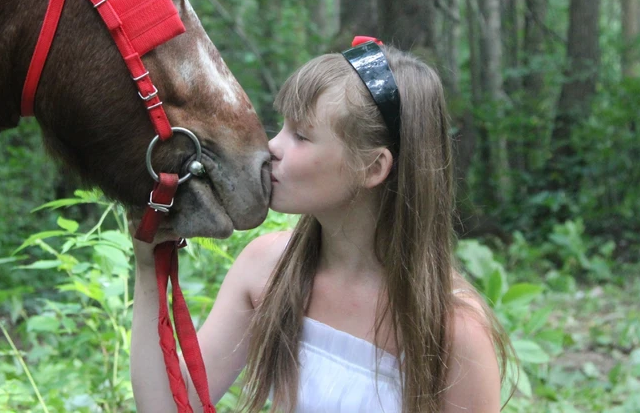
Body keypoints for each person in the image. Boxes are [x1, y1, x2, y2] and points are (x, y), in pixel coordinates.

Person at [130, 39, 511, 413]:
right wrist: (149, 267)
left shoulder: (454, 329)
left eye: (301, 136)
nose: (271, 147)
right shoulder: (266, 269)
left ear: (373, 168)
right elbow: (168, 406)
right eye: (281, 127)